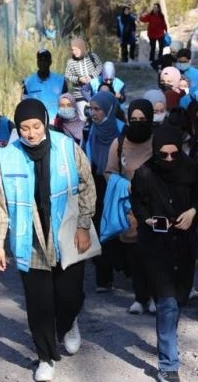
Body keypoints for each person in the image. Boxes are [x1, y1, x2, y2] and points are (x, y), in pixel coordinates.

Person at [0, 99, 97, 382]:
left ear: (45, 123)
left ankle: (69, 321)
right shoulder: (9, 156)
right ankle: (46, 357)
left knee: (68, 295)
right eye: (24, 128)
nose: (31, 133)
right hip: (31, 238)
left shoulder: (65, 147)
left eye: (36, 126)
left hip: (68, 232)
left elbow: (87, 184)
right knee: (39, 305)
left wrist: (84, 225)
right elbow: (0, 203)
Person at [130, 126, 198, 382]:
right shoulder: (145, 173)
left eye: (174, 154)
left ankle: (168, 340)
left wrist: (193, 212)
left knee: (179, 296)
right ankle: (168, 365)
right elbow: (137, 202)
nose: (170, 160)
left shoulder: (192, 169)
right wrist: (148, 219)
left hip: (184, 245)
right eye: (164, 155)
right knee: (167, 303)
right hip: (155, 247)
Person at [104, 99, 156, 315]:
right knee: (134, 254)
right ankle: (139, 296)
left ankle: (154, 295)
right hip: (128, 207)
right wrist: (124, 186)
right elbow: (109, 172)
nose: (137, 123)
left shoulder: (157, 140)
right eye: (133, 119)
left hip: (154, 205)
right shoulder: (119, 142)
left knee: (154, 253)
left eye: (142, 120)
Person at [84, 91, 125, 292]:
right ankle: (104, 277)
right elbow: (87, 156)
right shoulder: (92, 130)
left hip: (117, 183)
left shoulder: (120, 129)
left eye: (97, 109)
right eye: (91, 109)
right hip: (98, 183)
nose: (93, 113)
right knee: (100, 227)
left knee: (120, 226)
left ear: (109, 109)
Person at [23, 49, 68, 123]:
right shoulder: (28, 82)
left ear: (50, 62)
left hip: (57, 124)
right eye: (40, 60)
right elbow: (25, 105)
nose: (43, 63)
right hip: (36, 124)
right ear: (37, 62)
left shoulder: (61, 81)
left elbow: (67, 104)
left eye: (45, 60)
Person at [64, 38, 103, 117]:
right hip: (79, 95)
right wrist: (78, 79)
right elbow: (67, 75)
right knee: (84, 117)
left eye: (76, 49)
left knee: (97, 116)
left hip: (94, 92)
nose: (74, 52)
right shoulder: (71, 62)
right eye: (72, 50)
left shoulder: (92, 57)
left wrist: (91, 77)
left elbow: (100, 67)